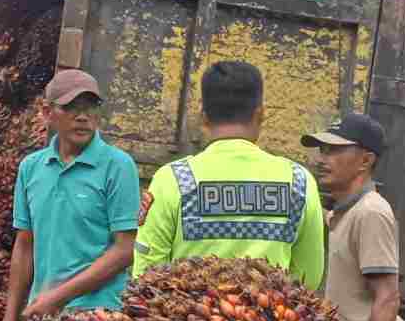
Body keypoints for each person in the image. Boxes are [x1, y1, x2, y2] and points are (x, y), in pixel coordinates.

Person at [131, 60, 324, 288]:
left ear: (203, 116)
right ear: (260, 114)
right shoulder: (299, 182)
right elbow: (307, 279)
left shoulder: (173, 179)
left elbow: (146, 277)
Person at [3, 70, 141, 321]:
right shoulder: (31, 168)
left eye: (90, 107)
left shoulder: (118, 166)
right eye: (71, 107)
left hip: (100, 319)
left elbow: (124, 250)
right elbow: (24, 245)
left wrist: (57, 298)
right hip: (41, 318)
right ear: (47, 112)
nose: (83, 116)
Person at [304, 112, 405, 321]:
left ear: (365, 161)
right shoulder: (342, 211)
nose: (323, 159)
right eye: (323, 150)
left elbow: (388, 297)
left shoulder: (371, 213)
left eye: (335, 150)